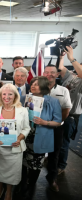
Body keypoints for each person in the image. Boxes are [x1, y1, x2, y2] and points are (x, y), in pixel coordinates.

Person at [20, 76, 62, 199]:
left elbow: (58, 122)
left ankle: (31, 186)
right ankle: (21, 185)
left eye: (36, 84)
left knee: (35, 165)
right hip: (24, 136)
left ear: (43, 86)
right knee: (21, 163)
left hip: (41, 137)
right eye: (32, 83)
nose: (32, 86)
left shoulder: (53, 101)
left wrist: (45, 122)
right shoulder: (23, 98)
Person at [0, 83, 30, 200]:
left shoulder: (23, 110)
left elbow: (27, 128)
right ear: (0, 95)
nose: (7, 97)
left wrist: (19, 138)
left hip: (14, 149)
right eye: (4, 94)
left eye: (10, 94)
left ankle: (8, 193)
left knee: (12, 174)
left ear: (15, 96)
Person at [43, 64, 72, 190]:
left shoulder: (63, 90)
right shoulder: (37, 88)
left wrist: (56, 122)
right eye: (47, 72)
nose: (49, 74)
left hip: (56, 127)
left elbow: (66, 109)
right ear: (43, 74)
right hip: (39, 126)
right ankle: (29, 177)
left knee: (54, 154)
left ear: (57, 74)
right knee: (35, 152)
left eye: (52, 72)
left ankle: (52, 178)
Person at [57, 46, 82, 176]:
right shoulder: (71, 76)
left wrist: (71, 58)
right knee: (55, 139)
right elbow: (60, 68)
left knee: (63, 142)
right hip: (58, 113)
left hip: (71, 116)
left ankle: (61, 165)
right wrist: (61, 56)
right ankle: (53, 159)